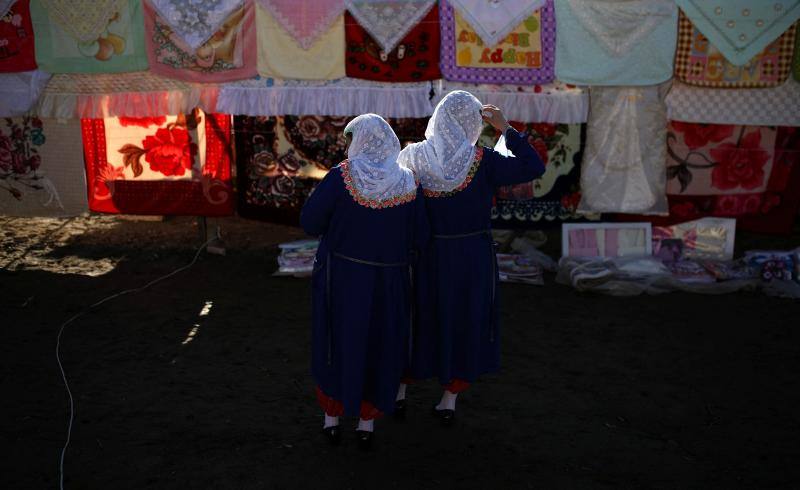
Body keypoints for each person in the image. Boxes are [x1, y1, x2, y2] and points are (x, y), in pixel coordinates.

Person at [397, 91, 545, 426]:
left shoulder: (412, 156)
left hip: (425, 255)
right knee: (463, 318)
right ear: (472, 123)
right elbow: (533, 166)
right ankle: (448, 400)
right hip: (470, 258)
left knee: (417, 316)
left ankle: (399, 391)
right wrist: (505, 128)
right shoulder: (484, 161)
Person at [300, 114, 428, 449]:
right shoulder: (408, 183)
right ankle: (366, 424)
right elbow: (420, 237)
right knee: (381, 344)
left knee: (338, 341)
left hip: (344, 280)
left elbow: (310, 221)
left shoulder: (341, 176)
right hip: (390, 283)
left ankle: (331, 419)